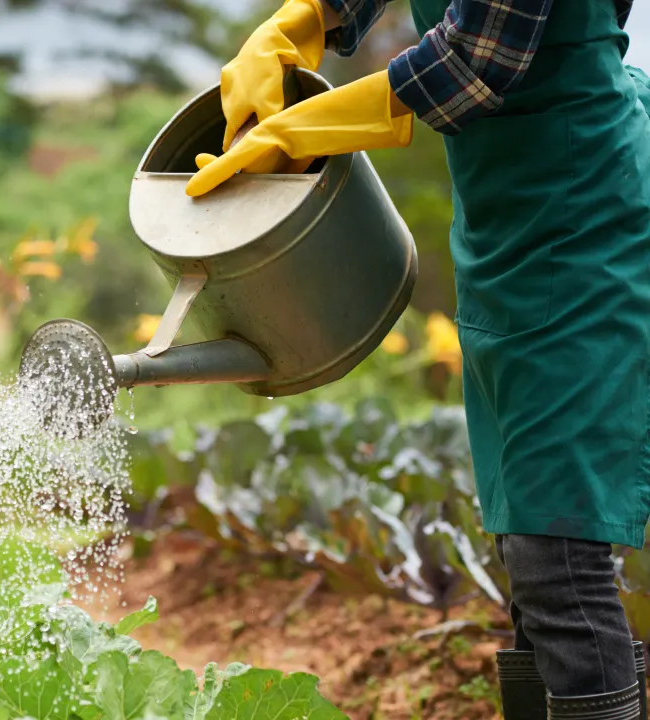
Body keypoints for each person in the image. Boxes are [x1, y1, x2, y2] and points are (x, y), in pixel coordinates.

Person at [187, 0, 650, 717]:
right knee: (526, 530)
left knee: (557, 546)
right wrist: (299, 20)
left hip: (584, 208)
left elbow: (472, 63)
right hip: (505, 217)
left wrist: (304, 127)